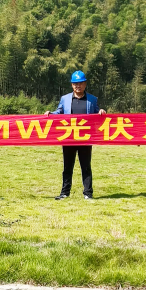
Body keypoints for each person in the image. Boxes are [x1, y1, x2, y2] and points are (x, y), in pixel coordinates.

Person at [50, 70, 101, 200]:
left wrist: (101, 111)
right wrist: (50, 114)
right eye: (75, 84)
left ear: (85, 84)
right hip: (69, 137)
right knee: (67, 166)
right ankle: (64, 193)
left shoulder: (92, 99)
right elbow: (59, 112)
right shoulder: (65, 99)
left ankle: (88, 193)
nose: (78, 86)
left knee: (86, 167)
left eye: (80, 83)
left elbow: (97, 114)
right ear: (72, 85)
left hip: (85, 138)